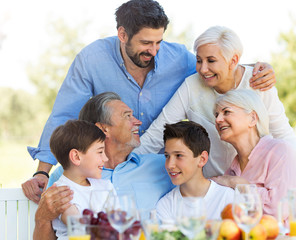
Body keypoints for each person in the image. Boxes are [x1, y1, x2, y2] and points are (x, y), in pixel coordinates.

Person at [22, 0, 275, 203]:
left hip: (160, 169)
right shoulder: (92, 59)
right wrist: (43, 171)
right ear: (122, 34)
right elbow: (63, 115)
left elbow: (215, 66)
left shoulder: (178, 58)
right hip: (109, 165)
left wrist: (253, 69)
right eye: (145, 42)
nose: (154, 51)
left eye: (158, 42)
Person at [134, 26, 296, 178]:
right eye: (199, 60)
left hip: (258, 183)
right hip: (214, 187)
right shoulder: (192, 86)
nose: (203, 69)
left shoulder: (258, 82)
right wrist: (122, 169)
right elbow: (156, 134)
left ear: (233, 61)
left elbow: (282, 134)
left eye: (211, 61)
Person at [33, 92, 174, 240]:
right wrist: (41, 218)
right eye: (127, 116)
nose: (138, 122)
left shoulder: (162, 165)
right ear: (103, 129)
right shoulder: (64, 177)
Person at [211, 89, 296, 217]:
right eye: (216, 115)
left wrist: (240, 185)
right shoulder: (232, 170)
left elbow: (278, 209)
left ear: (252, 118)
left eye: (227, 112)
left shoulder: (279, 151)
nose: (218, 120)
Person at [156, 121, 234, 224]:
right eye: (167, 156)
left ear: (202, 159)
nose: (170, 165)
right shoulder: (166, 205)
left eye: (179, 155)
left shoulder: (228, 198)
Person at [48, 120, 114, 239]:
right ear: (76, 157)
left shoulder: (106, 186)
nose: (105, 158)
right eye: (100, 152)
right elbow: (80, 228)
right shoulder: (61, 194)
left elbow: (120, 223)